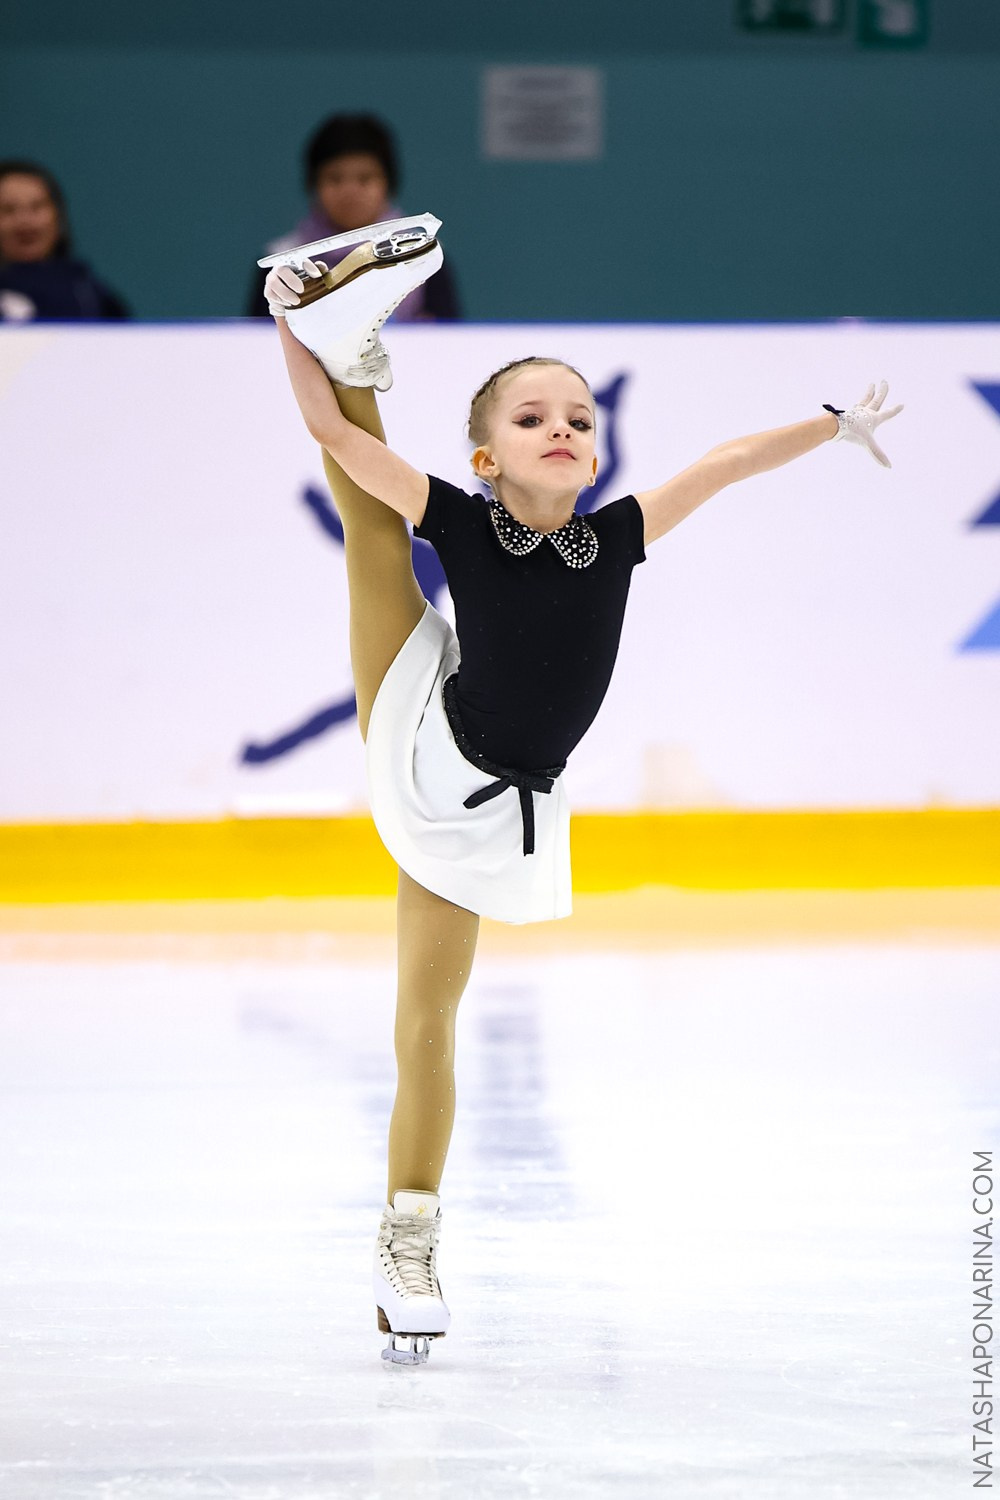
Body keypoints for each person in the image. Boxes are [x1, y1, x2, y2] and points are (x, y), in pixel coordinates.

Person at [262, 218, 902, 1365]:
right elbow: (333, 446)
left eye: (577, 417)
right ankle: (409, 1238)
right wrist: (287, 336)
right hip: (423, 743)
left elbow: (721, 465)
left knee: (435, 1021)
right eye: (529, 417)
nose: (560, 427)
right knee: (371, 534)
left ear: (594, 453)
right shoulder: (461, 518)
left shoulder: (614, 538)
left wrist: (832, 425)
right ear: (486, 459)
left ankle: (354, 340)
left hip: (499, 808)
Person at [246, 114, 460, 321]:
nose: (350, 191)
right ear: (313, 184)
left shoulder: (426, 255)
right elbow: (259, 345)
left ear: (389, 184)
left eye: (365, 179)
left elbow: (449, 343)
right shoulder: (281, 262)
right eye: (335, 179)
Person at [0, 161, 129, 322]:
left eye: (37, 207)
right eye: (8, 209)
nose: (25, 221)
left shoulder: (89, 294)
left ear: (58, 216)